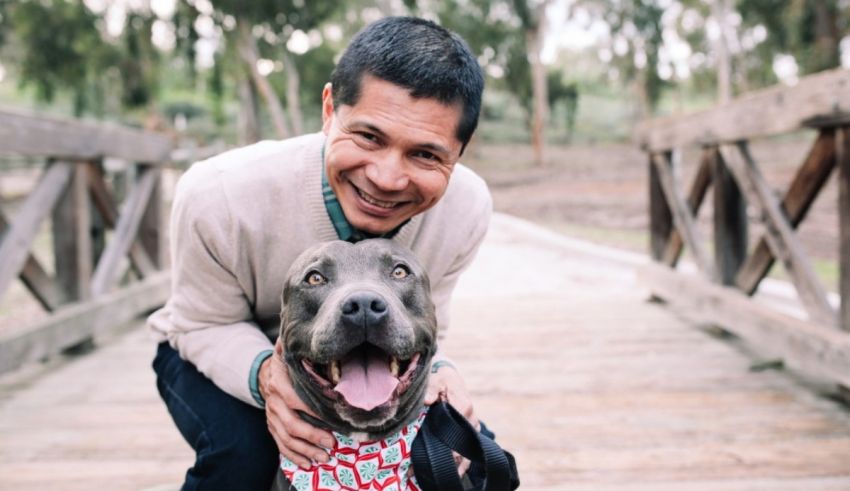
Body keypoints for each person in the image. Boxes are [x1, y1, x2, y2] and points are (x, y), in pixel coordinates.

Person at [148, 16, 491, 490]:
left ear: (460, 150)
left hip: (369, 356)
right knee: (242, 455)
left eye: (425, 155)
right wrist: (266, 376)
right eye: (369, 137)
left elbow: (425, 321)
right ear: (330, 109)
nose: (388, 178)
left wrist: (442, 371)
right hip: (215, 343)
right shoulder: (218, 195)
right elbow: (201, 323)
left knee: (472, 455)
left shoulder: (465, 207)